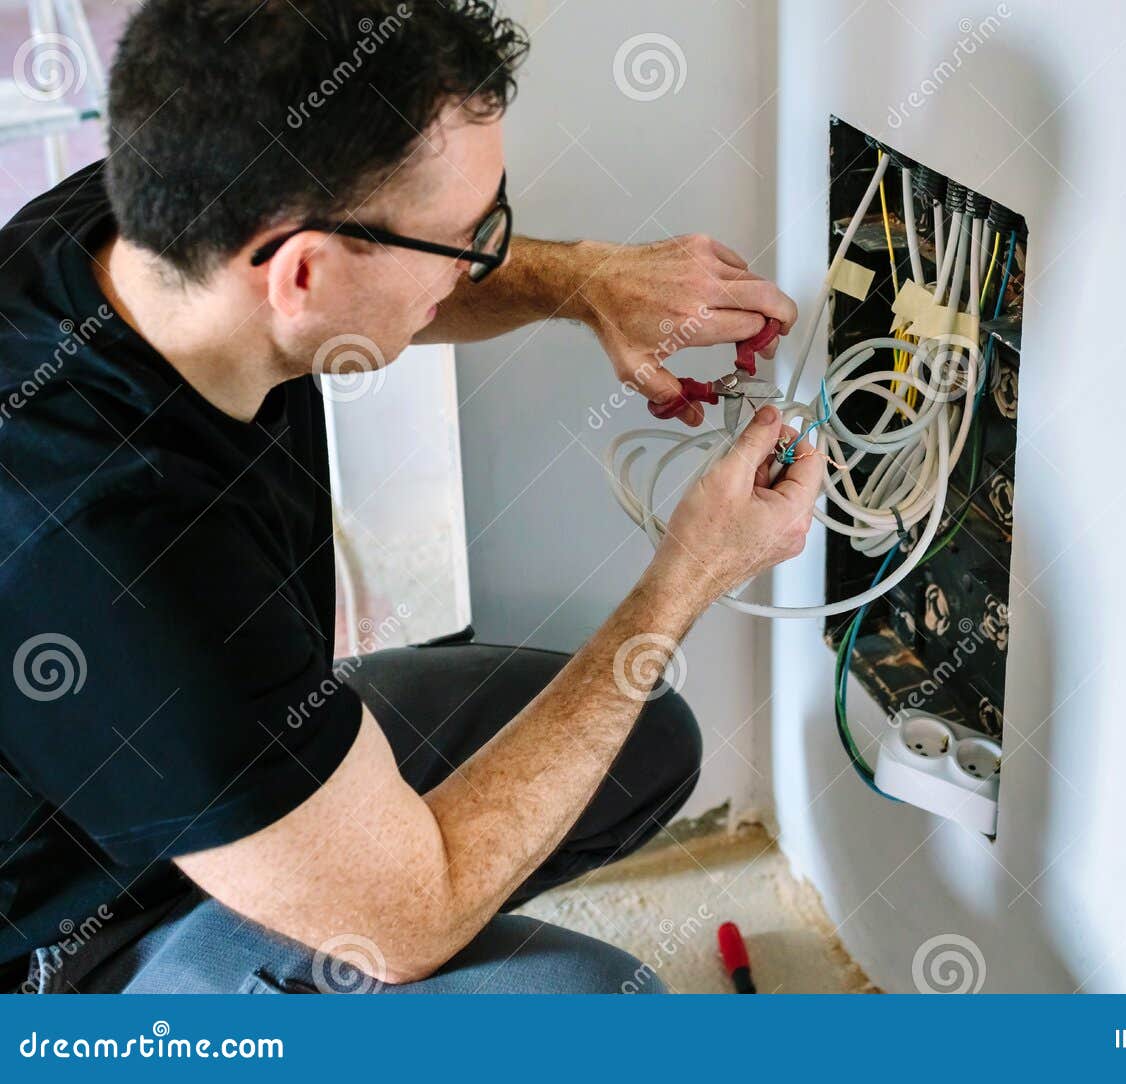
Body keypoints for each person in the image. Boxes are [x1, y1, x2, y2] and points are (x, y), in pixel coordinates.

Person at [0, 0, 820, 994]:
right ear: (300, 272)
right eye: (465, 238)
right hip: (75, 940)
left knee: (643, 740)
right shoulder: (115, 555)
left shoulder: (149, 223)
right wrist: (690, 570)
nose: (484, 261)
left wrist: (589, 282)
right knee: (606, 1005)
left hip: (191, 758)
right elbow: (410, 921)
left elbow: (388, 275)